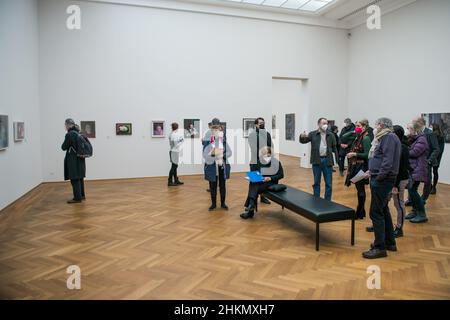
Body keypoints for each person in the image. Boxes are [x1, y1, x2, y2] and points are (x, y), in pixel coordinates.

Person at [363, 117, 400, 259]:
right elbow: (380, 158)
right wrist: (371, 172)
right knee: (383, 210)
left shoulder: (388, 137)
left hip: (383, 180)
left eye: (377, 124)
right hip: (380, 177)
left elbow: (387, 161)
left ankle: (380, 247)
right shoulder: (385, 137)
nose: (375, 127)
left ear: (382, 125)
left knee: (375, 212)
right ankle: (389, 242)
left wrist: (378, 177)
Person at [240, 147, 284, 219]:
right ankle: (251, 207)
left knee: (253, 185)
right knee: (253, 183)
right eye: (262, 155)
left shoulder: (276, 162)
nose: (264, 157)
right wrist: (252, 166)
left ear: (270, 154)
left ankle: (250, 209)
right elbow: (254, 171)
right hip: (261, 181)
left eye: (266, 155)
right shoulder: (260, 161)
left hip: (271, 182)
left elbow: (281, 175)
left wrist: (270, 178)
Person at [299, 118, 337, 201]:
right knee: (316, 183)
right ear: (319, 124)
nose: (325, 125)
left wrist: (337, 161)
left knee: (329, 183)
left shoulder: (331, 135)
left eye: (327, 123)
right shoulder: (313, 134)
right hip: (317, 160)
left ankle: (327, 201)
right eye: (323, 123)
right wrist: (302, 136)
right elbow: (303, 141)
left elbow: (335, 147)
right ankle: (316, 200)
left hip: (327, 160)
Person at [343, 119, 371, 219]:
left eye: (358, 125)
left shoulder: (366, 138)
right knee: (359, 189)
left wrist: (354, 154)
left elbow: (367, 154)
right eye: (356, 125)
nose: (356, 127)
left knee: (361, 190)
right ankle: (361, 211)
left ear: (364, 126)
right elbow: (343, 137)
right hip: (356, 166)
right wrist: (354, 131)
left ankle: (359, 211)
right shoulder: (358, 136)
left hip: (361, 167)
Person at [203, 118, 231, 211]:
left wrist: (222, 155)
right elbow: (205, 154)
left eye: (217, 129)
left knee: (223, 186)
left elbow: (229, 152)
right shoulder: (208, 141)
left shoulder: (223, 141)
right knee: (213, 186)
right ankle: (213, 204)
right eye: (214, 130)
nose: (216, 131)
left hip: (221, 165)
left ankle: (223, 203)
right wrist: (213, 155)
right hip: (212, 166)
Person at [405, 120, 429, 223]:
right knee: (411, 191)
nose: (408, 131)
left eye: (409, 129)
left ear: (414, 130)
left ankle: (422, 214)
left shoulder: (422, 139)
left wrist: (404, 151)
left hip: (418, 169)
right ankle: (415, 211)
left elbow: (414, 152)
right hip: (414, 168)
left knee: (413, 191)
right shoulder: (415, 139)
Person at [389, 125, 410, 237]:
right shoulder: (396, 146)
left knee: (398, 204)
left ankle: (399, 228)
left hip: (399, 180)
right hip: (392, 180)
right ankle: (384, 224)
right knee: (384, 202)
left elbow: (400, 168)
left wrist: (395, 185)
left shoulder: (403, 148)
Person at [248, 117, 273, 205]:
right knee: (254, 181)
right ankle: (253, 199)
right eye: (260, 123)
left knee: (264, 180)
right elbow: (254, 148)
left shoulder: (267, 134)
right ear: (256, 125)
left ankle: (263, 197)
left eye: (263, 123)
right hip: (255, 161)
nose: (262, 124)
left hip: (265, 161)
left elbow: (270, 146)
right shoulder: (252, 135)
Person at [414, 117, 440, 203]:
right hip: (417, 161)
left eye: (414, 122)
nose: (413, 123)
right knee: (414, 180)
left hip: (426, 161)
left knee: (427, 181)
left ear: (421, 122)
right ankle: (412, 199)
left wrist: (429, 160)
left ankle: (423, 199)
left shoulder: (430, 133)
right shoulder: (416, 132)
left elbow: (436, 149)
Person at [61, 119, 86, 204]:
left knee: (74, 178)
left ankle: (77, 198)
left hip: (73, 159)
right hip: (81, 158)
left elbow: (63, 147)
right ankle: (82, 196)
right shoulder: (80, 132)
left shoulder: (70, 134)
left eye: (65, 125)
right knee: (80, 177)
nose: (65, 126)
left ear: (68, 125)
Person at [430, 123, 445, 194]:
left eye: (431, 127)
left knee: (434, 172)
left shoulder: (440, 137)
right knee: (431, 172)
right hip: (432, 157)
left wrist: (433, 157)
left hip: (436, 158)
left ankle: (433, 187)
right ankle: (431, 187)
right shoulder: (432, 136)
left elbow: (440, 150)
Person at [168, 122, 184, 187]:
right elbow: (176, 144)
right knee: (173, 167)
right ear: (177, 127)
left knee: (175, 167)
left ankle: (175, 180)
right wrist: (181, 141)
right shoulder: (174, 134)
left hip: (174, 151)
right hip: (174, 152)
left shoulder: (172, 134)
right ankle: (170, 181)